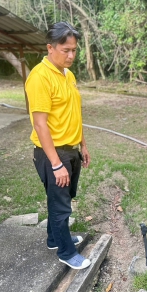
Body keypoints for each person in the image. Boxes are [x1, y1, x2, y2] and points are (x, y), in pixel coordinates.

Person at [25, 22, 91, 270]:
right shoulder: (39, 78)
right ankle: (66, 251)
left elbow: (74, 112)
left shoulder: (68, 74)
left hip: (71, 148)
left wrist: (83, 144)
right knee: (60, 204)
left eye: (74, 50)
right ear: (50, 48)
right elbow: (40, 125)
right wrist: (56, 164)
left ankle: (55, 239)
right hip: (52, 153)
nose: (71, 55)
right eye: (66, 50)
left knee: (63, 197)